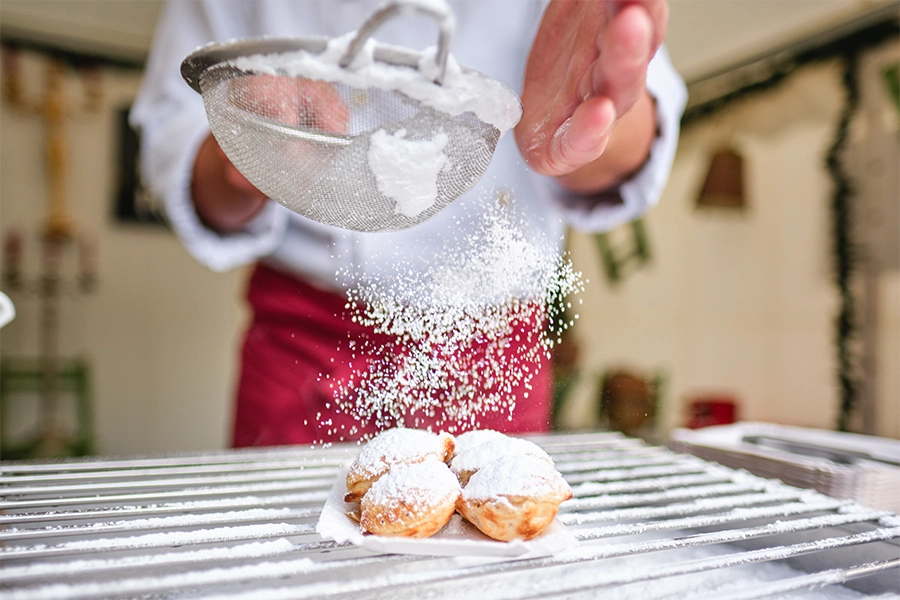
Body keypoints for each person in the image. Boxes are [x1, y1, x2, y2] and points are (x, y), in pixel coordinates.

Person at [131, 0, 687, 447]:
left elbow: (630, 137)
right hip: (307, 344)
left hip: (490, 356)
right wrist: (252, 142)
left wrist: (590, 111)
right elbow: (179, 150)